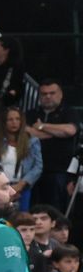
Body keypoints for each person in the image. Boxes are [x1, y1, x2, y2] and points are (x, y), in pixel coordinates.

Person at [25, 80, 77, 210]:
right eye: (44, 94)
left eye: (52, 93)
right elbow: (27, 132)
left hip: (58, 171)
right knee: (31, 210)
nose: (48, 96)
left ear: (60, 94)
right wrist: (54, 132)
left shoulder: (69, 112)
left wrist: (43, 126)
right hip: (32, 170)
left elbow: (69, 130)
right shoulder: (31, 113)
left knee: (55, 212)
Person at [0, 106, 41, 210]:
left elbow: (38, 166)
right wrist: (5, 187)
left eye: (17, 119)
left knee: (21, 221)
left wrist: (20, 185)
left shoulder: (32, 141)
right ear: (4, 122)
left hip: (22, 189)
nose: (14, 122)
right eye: (10, 119)